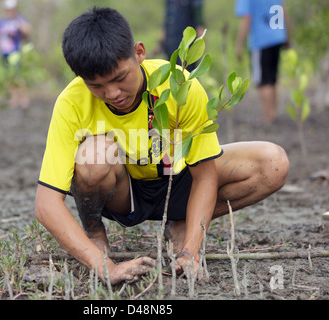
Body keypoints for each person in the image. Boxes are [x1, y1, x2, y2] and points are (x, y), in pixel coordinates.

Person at [35, 7, 289, 285]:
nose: (112, 94)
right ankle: (95, 234)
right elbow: (47, 204)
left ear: (139, 52)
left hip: (178, 181)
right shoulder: (71, 102)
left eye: (120, 78)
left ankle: (181, 224)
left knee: (272, 162)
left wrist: (191, 251)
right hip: (124, 193)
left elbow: (204, 176)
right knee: (93, 157)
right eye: (96, 86)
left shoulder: (179, 85)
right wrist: (106, 267)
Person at [235, 0, 290, 125]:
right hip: (278, 37)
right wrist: (287, 36)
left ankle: (268, 117)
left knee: (263, 81)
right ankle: (273, 114)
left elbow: (246, 18)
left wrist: (239, 44)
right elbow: (283, 11)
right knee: (272, 78)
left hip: (261, 41)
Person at [0, 0, 31, 109]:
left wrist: (19, 26)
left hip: (15, 54)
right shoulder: (1, 22)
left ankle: (24, 100)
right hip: (3, 54)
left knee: (17, 77)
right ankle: (13, 101)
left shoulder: (19, 20)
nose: (10, 11)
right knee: (8, 78)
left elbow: (27, 31)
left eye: (12, 9)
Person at [159, 0, 206, 71]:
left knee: (187, 72)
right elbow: (168, 16)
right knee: (172, 70)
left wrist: (201, 42)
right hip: (171, 41)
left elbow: (198, 18)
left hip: (187, 42)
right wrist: (162, 37)